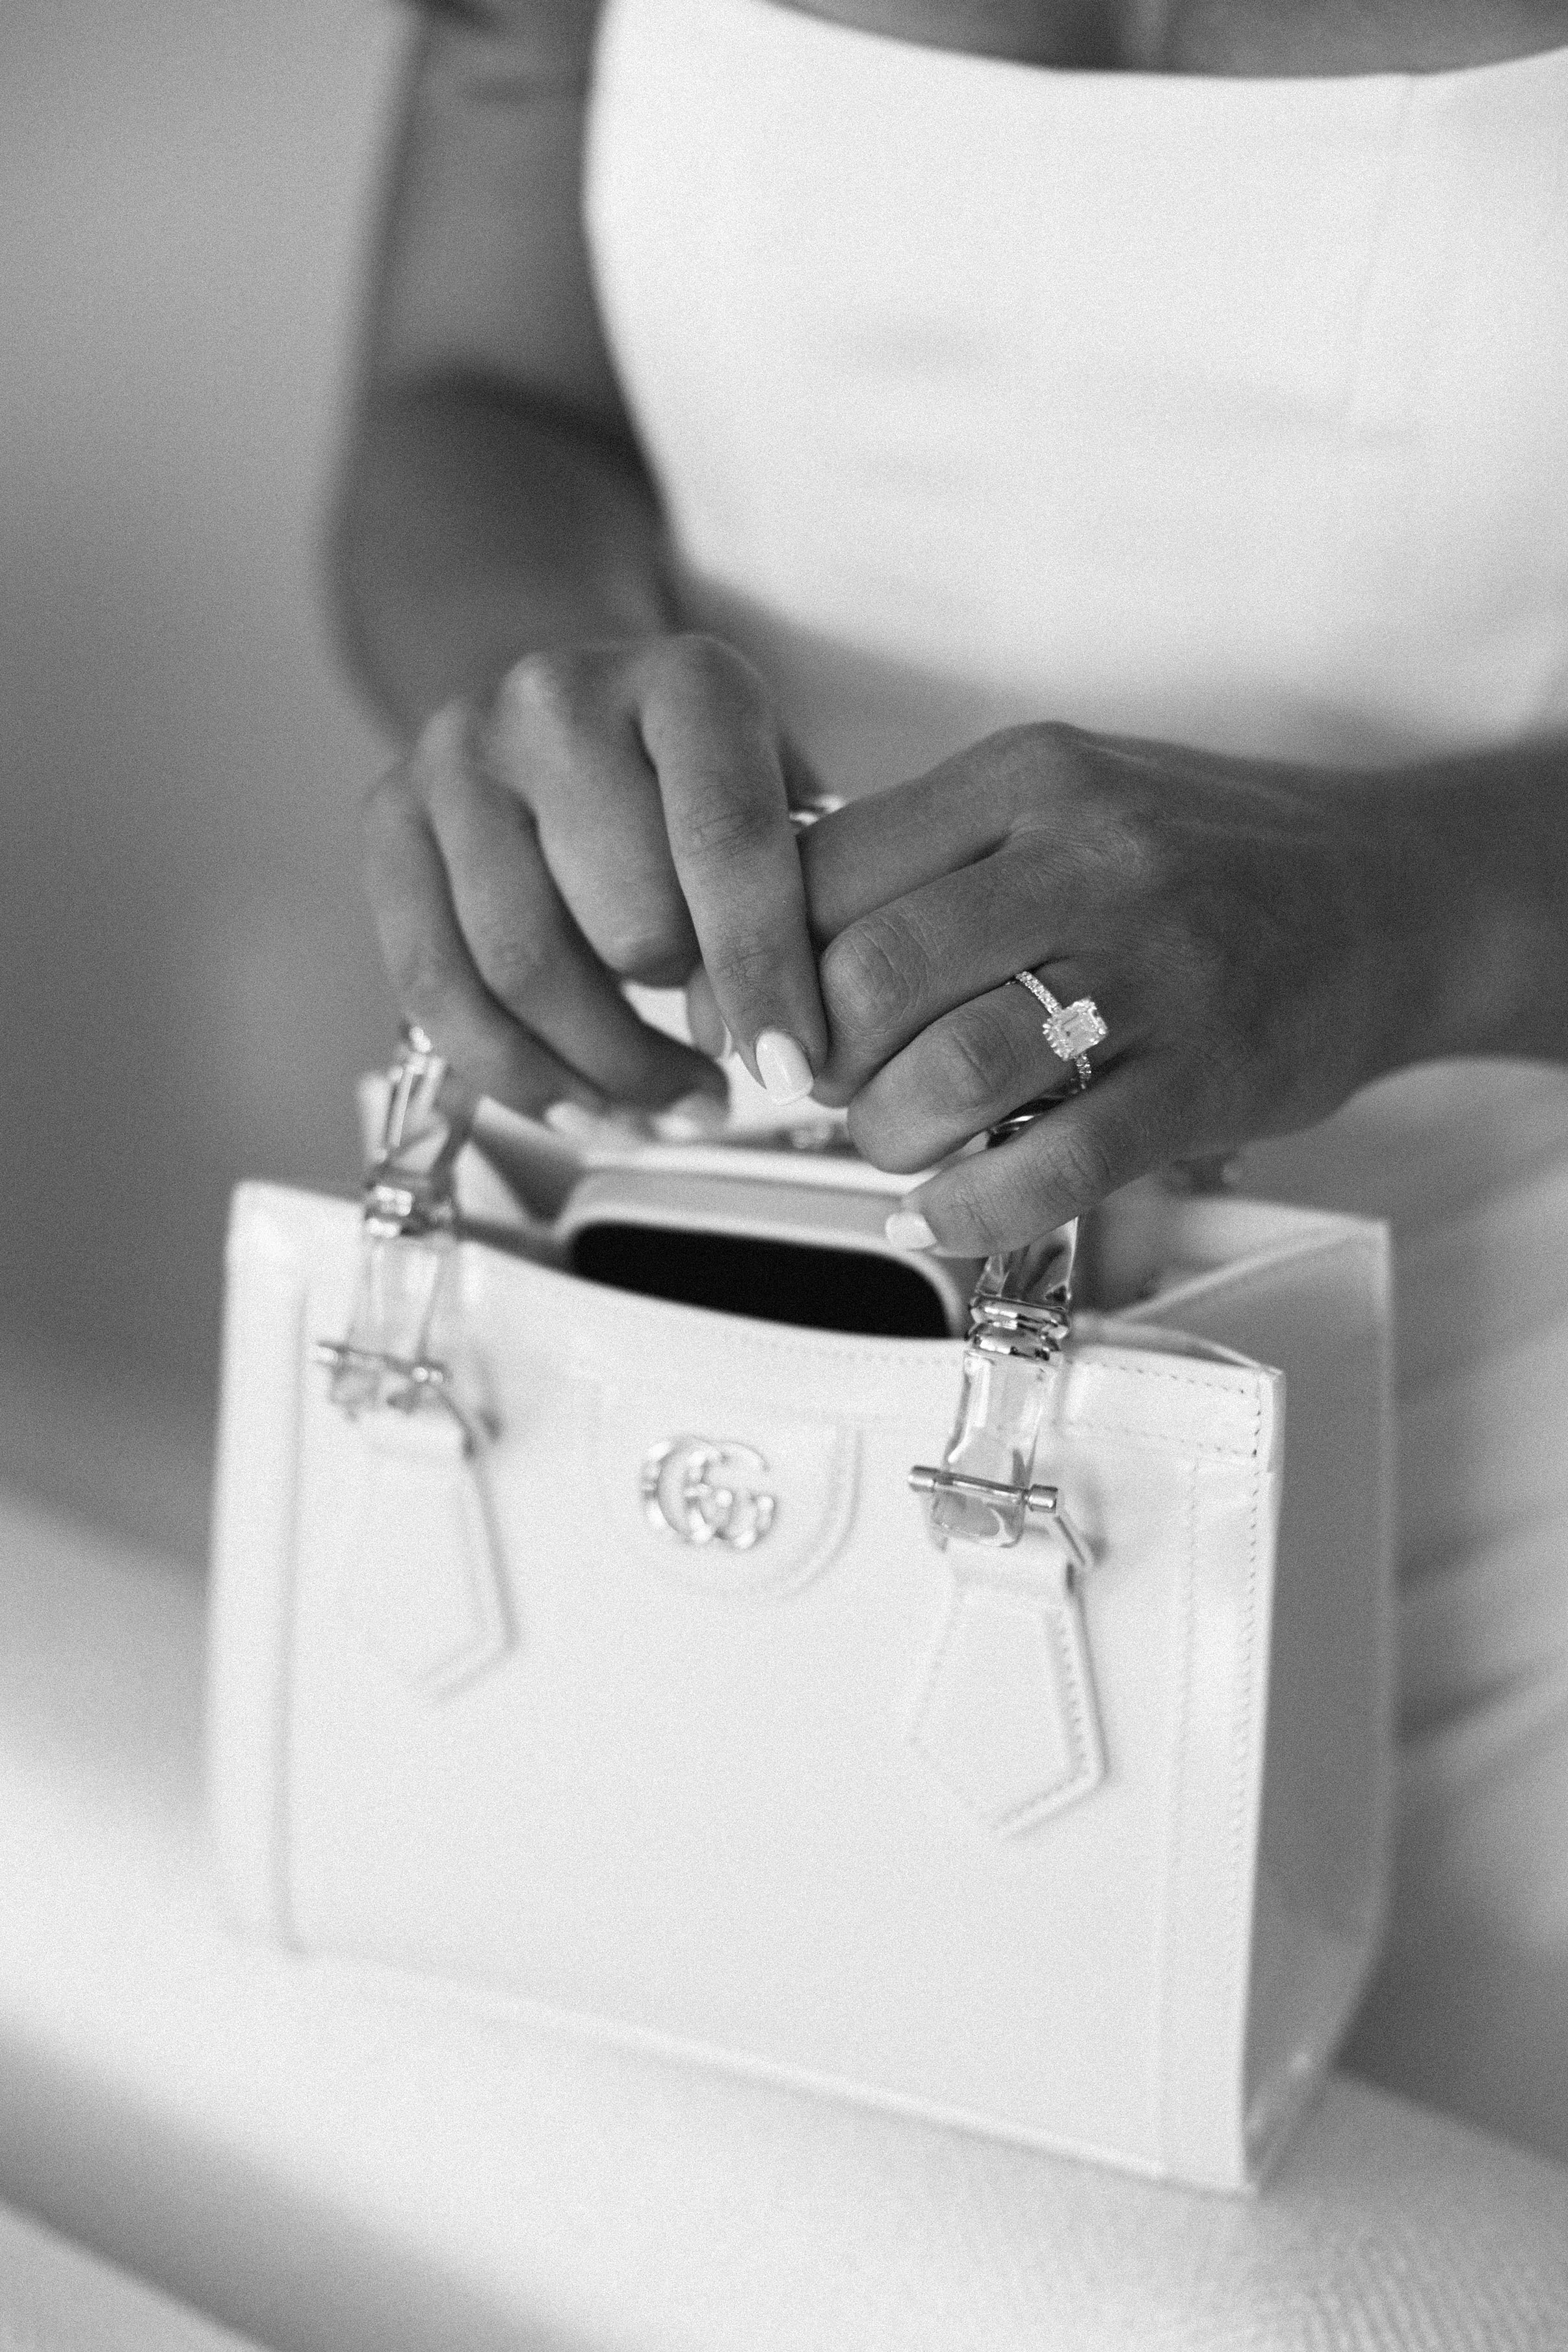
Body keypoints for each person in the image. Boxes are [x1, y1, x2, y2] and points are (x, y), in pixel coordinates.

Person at [333, 0, 1568, 2156]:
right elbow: (474, 392)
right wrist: (535, 702)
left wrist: (1420, 907)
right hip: (733, 1401)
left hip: (1519, 1486)